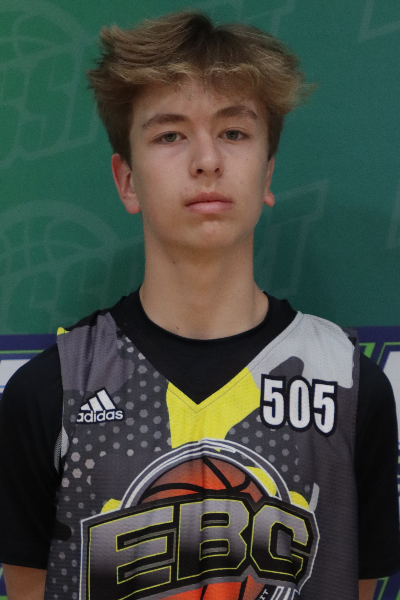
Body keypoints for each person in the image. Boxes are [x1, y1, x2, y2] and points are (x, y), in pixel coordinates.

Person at [0, 11, 399, 600]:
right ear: (127, 180)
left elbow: (355, 582)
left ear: (268, 172)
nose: (207, 160)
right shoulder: (51, 391)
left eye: (233, 132)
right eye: (170, 135)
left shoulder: (350, 387)